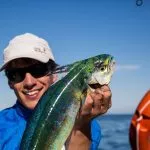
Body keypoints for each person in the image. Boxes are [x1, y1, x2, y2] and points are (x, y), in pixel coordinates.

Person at [0, 33, 112, 150]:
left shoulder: (89, 126)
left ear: (54, 75)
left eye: (38, 70)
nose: (29, 82)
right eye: (16, 74)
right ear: (10, 82)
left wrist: (81, 127)